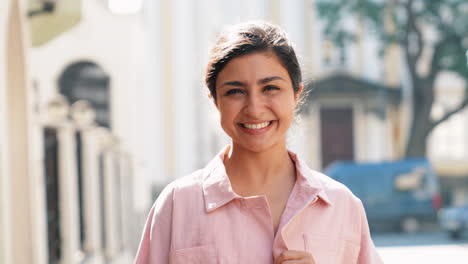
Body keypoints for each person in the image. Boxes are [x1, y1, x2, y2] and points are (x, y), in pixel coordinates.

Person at [134, 21, 383, 264]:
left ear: (296, 94)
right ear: (215, 100)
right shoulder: (177, 205)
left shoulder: (342, 206)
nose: (254, 109)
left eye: (270, 88)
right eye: (235, 91)